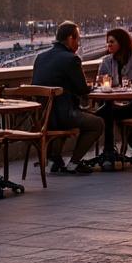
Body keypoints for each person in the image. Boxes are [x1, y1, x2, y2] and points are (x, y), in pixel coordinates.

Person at [30, 22, 104, 174]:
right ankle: (74, 163)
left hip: (42, 118)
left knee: (62, 122)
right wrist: (95, 87)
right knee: (97, 123)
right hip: (63, 116)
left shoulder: (40, 57)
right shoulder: (71, 59)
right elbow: (82, 89)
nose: (78, 44)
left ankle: (54, 160)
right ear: (70, 39)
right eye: (78, 40)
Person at [93, 28, 132, 166]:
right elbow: (101, 82)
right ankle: (117, 150)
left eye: (112, 42)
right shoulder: (106, 61)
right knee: (111, 111)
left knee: (108, 112)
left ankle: (110, 151)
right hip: (118, 104)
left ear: (121, 42)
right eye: (107, 42)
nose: (108, 45)